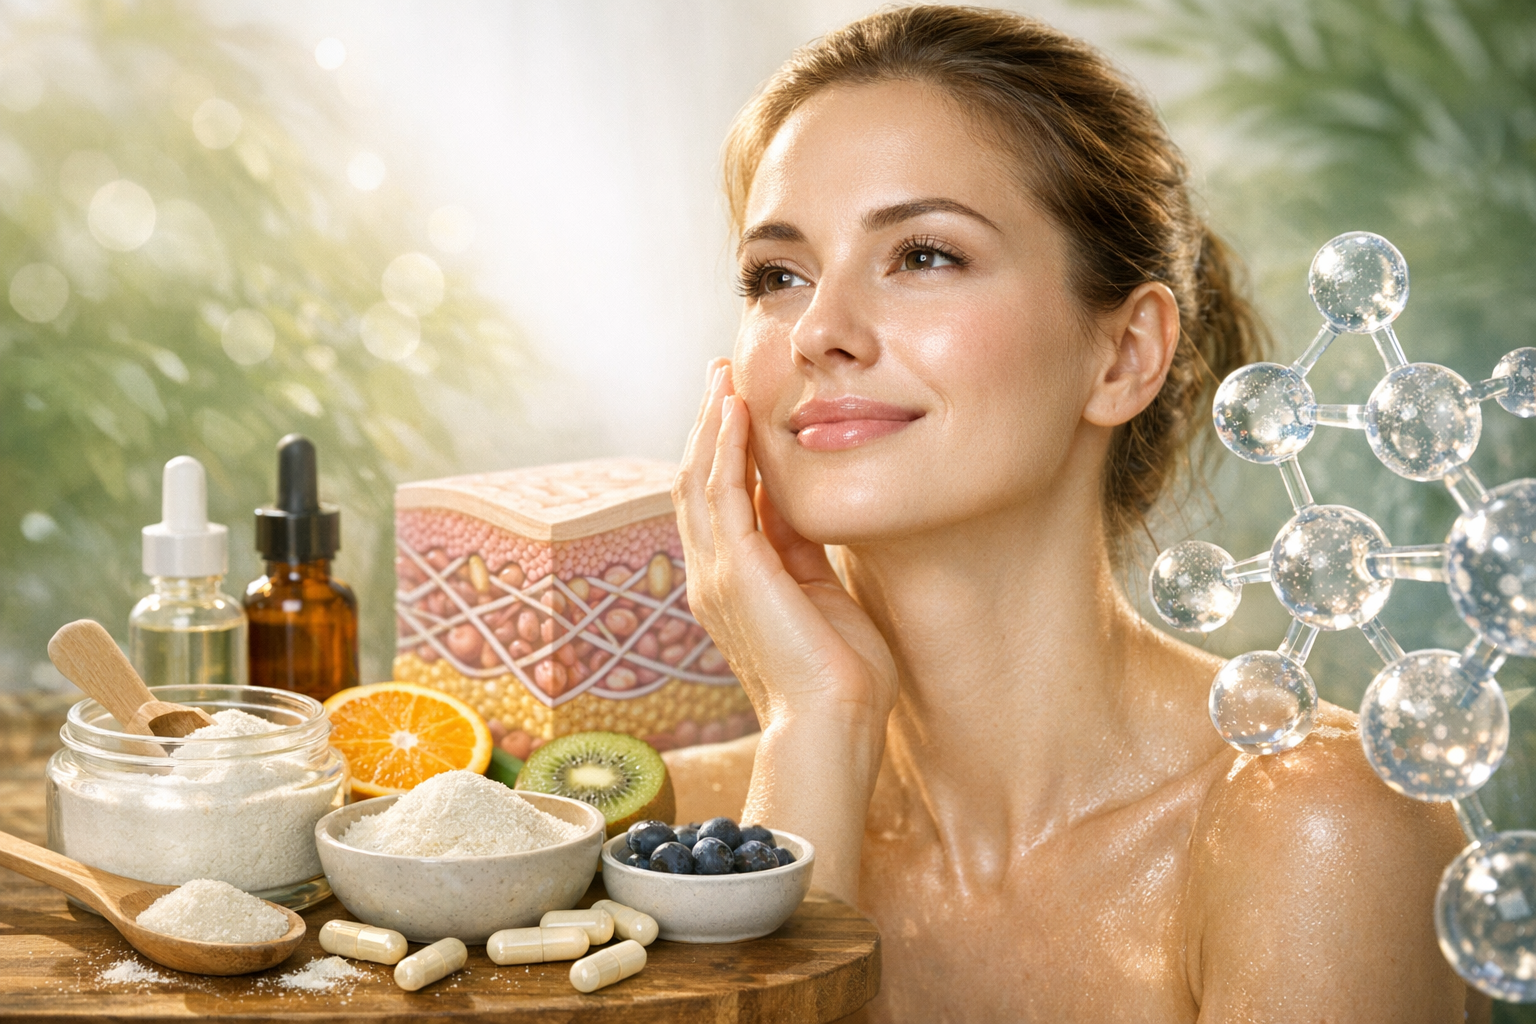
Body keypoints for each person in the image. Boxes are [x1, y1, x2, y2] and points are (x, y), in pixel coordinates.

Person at [668, 6, 1481, 1022]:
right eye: (775, 276)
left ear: (1124, 353)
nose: (819, 331)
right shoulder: (683, 826)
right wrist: (815, 735)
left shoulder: (1317, 825)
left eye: (924, 255)